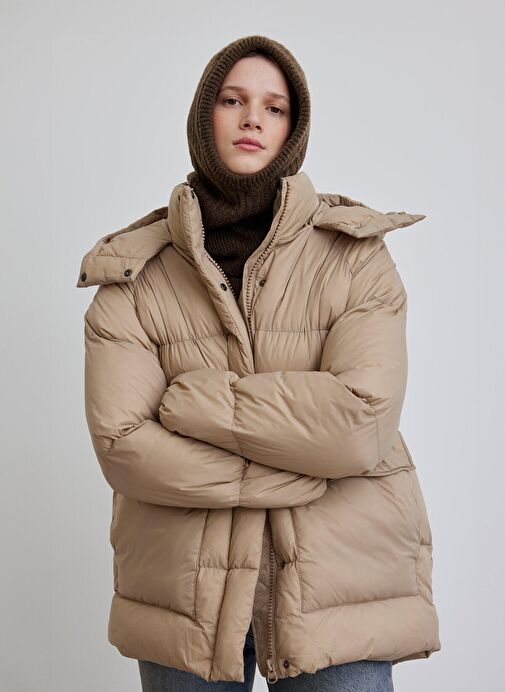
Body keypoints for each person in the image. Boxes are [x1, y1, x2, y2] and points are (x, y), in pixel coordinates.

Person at [77, 34, 441, 691]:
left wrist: (193, 403)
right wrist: (295, 464)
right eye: (232, 100)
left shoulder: (354, 254)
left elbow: (358, 425)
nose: (252, 119)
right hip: (184, 590)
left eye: (274, 108)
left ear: (293, 129)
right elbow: (124, 444)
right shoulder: (132, 271)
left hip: (339, 582)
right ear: (202, 117)